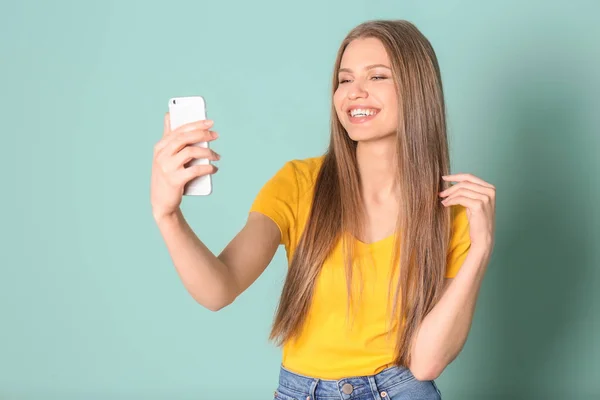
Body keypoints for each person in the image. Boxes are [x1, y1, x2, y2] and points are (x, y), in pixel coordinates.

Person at [150, 19, 496, 400]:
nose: (355, 93)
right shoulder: (298, 184)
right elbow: (219, 288)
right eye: (345, 80)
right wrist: (168, 216)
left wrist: (480, 249)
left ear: (418, 89)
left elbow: (426, 363)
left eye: (377, 76)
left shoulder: (452, 211)